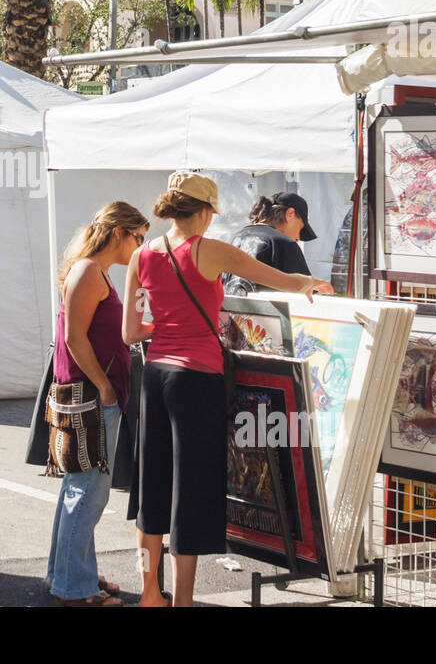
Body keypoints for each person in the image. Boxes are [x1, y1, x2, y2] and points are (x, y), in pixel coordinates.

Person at [122, 171, 331, 607]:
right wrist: (312, 284)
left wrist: (165, 324)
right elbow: (275, 277)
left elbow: (129, 333)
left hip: (156, 373)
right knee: (191, 491)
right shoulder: (208, 250)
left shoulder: (143, 254)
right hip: (196, 378)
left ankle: (147, 593)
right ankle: (182, 600)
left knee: (153, 488)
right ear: (201, 212)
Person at [46, 201, 148, 607]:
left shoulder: (93, 269)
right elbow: (74, 337)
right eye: (138, 237)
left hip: (86, 394)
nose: (140, 246)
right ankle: (73, 588)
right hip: (89, 396)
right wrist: (105, 385)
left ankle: (69, 574)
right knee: (87, 494)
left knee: (79, 490)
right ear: (119, 233)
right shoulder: (89, 271)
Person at [221, 192, 320, 296]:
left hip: (227, 310)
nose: (298, 238)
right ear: (290, 214)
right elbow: (305, 295)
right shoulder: (284, 243)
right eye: (300, 227)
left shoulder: (234, 238)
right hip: (264, 311)